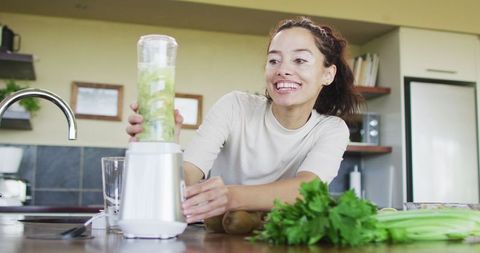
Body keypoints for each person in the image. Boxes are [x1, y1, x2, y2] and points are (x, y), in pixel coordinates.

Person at [127, 16, 362, 224]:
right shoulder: (235, 107)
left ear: (327, 74)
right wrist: (165, 144)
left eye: (299, 60)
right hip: (218, 238)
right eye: (274, 60)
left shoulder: (331, 129)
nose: (283, 70)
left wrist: (230, 196)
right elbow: (186, 178)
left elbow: (308, 189)